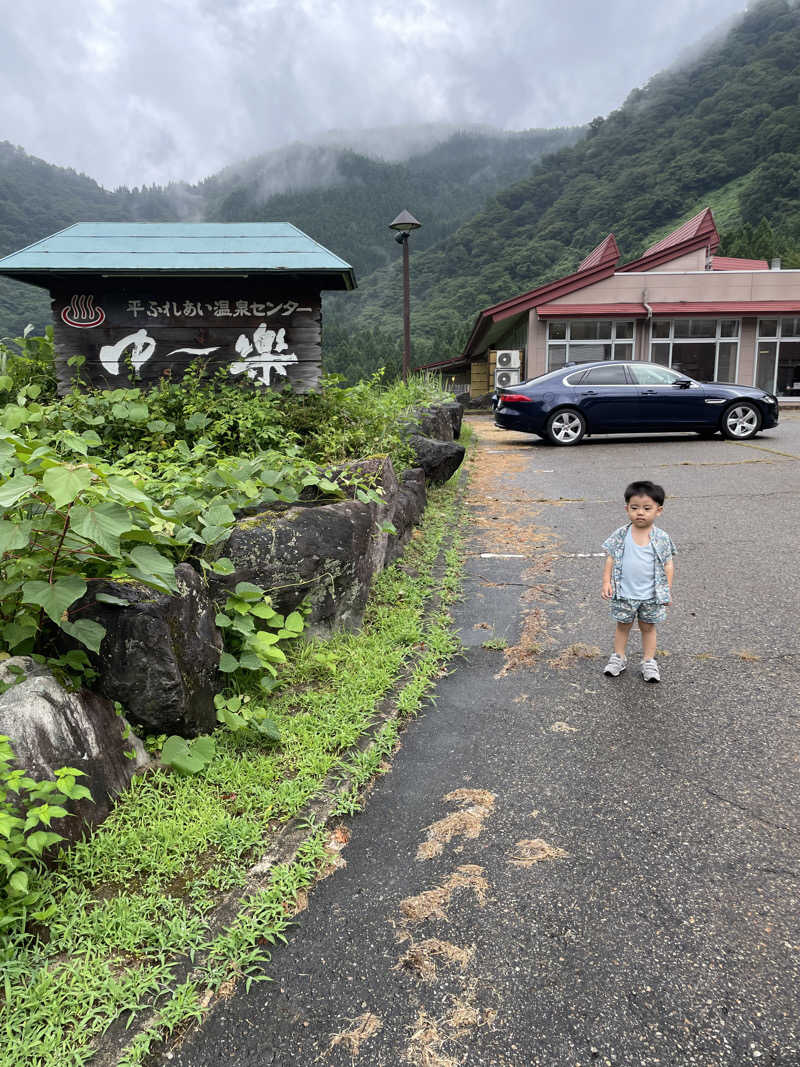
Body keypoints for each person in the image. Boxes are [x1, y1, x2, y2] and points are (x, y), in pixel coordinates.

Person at [601, 480, 676, 683]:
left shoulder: (661, 538)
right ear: (627, 508)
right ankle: (618, 657)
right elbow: (611, 557)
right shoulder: (621, 535)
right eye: (634, 508)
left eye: (646, 508)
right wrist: (607, 582)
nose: (640, 513)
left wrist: (666, 590)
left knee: (648, 627)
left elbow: (669, 565)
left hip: (651, 596)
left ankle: (648, 661)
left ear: (658, 511)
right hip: (624, 593)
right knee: (622, 625)